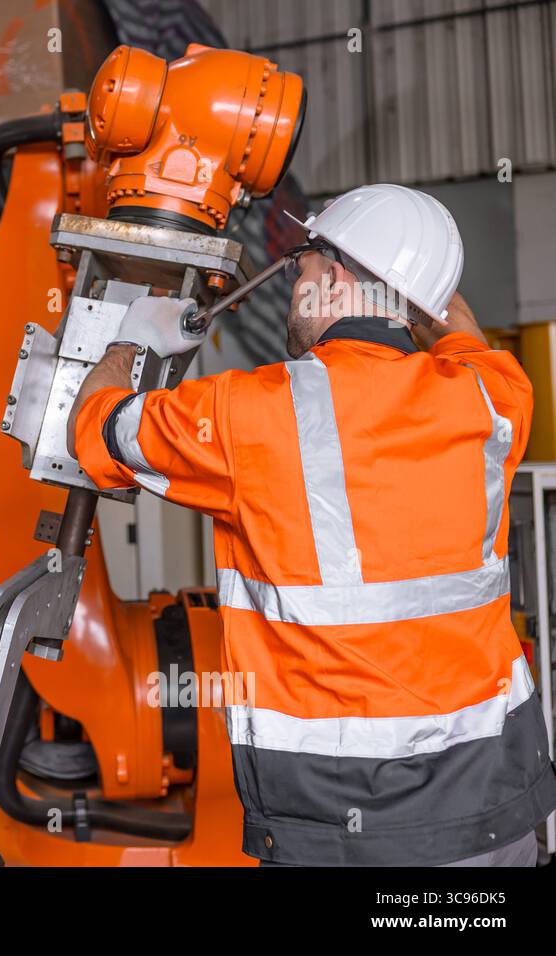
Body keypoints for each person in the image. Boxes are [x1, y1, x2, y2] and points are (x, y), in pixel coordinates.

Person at [67, 183, 556, 866]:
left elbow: (95, 433)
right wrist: (404, 282)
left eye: (302, 258)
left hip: (344, 835)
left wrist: (126, 342)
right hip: (494, 820)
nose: (295, 272)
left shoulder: (247, 415)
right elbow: (457, 328)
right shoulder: (492, 399)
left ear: (336, 274)